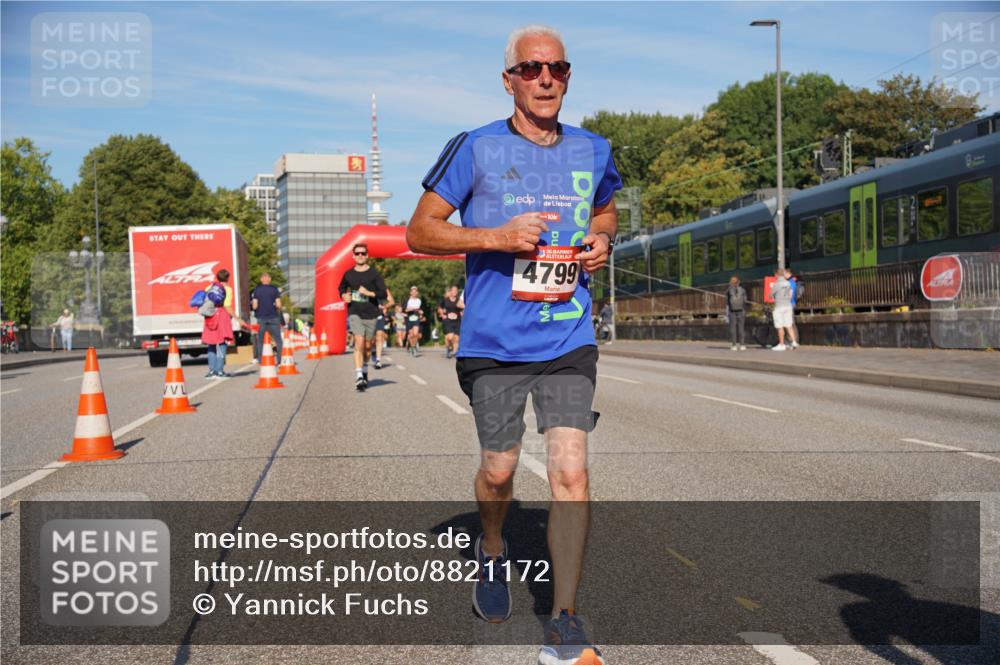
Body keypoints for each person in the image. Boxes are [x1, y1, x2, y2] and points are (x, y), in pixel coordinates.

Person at [406, 24, 620, 665]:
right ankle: (493, 549)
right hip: (495, 342)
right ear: (510, 80)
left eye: (557, 67)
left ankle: (564, 619)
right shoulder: (474, 148)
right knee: (499, 471)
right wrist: (497, 238)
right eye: (532, 69)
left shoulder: (593, 148)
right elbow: (420, 231)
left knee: (570, 471)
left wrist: (604, 240)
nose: (546, 78)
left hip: (567, 334)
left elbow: (606, 210)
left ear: (569, 76)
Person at [339, 242, 388, 391]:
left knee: (367, 347)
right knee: (359, 343)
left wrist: (369, 293)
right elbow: (341, 287)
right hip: (355, 313)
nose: (360, 256)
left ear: (367, 256)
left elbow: (383, 294)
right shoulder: (348, 274)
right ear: (353, 256)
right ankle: (359, 375)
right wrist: (344, 295)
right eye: (358, 253)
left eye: (363, 253)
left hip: (371, 314)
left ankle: (365, 368)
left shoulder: (374, 274)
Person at [201, 269, 247, 378]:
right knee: (222, 343)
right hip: (222, 316)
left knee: (211, 344)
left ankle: (211, 371)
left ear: (217, 277)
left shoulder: (209, 288)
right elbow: (227, 306)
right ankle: (220, 370)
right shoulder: (227, 289)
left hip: (210, 316)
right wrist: (237, 318)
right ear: (228, 278)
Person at [250, 272, 283, 362]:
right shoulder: (274, 289)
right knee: (278, 339)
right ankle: (280, 360)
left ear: (261, 280)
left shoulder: (256, 290)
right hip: (273, 317)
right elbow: (279, 305)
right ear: (269, 279)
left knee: (260, 340)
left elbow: (254, 306)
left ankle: (261, 360)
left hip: (261, 318)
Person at [769, 267, 797, 351]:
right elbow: (790, 294)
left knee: (779, 326)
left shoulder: (777, 284)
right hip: (788, 305)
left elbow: (771, 295)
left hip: (779, 306)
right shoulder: (788, 283)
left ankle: (781, 344)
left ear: (777, 275)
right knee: (789, 325)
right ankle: (794, 341)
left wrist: (772, 291)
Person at [437, 285, 464, 358]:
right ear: (450, 291)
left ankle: (455, 353)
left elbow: (462, 310)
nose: (455, 292)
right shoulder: (445, 300)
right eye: (453, 290)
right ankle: (448, 348)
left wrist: (463, 315)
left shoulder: (459, 300)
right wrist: (442, 314)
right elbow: (439, 308)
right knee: (450, 337)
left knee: (457, 339)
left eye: (456, 290)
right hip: (448, 321)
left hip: (457, 320)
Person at [725, 276, 748, 351]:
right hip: (741, 310)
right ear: (739, 282)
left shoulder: (728, 290)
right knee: (741, 328)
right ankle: (742, 345)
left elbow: (727, 302)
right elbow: (745, 300)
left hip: (732, 311)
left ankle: (734, 345)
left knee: (733, 328)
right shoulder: (743, 290)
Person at [404, 286, 424, 356]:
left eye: (415, 292)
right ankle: (412, 347)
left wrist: (421, 312)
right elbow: (404, 310)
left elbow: (420, 309)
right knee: (411, 335)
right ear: (410, 292)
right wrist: (409, 309)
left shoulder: (419, 300)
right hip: (409, 318)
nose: (414, 293)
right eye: (413, 291)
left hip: (416, 318)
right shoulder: (407, 300)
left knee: (416, 334)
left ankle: (414, 347)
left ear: (417, 293)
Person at [785, 267, 801, 348]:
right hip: (791, 303)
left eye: (785, 274)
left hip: (790, 304)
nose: (784, 275)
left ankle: (793, 340)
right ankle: (791, 340)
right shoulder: (791, 282)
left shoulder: (791, 282)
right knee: (789, 323)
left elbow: (790, 294)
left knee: (790, 323)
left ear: (789, 274)